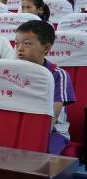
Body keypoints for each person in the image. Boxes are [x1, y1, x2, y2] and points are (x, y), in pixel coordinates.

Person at [15, 21, 76, 154]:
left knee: (42, 152)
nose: (19, 48)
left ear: (46, 48)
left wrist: (33, 139)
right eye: (16, 43)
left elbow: (52, 116)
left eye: (27, 43)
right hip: (20, 124)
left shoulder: (58, 75)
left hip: (53, 131)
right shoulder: (12, 72)